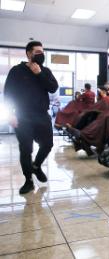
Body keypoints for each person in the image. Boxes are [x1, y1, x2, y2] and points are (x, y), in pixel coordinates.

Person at [4, 41, 59, 194]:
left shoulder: (45, 71)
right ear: (28, 53)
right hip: (22, 115)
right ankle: (28, 180)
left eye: (42, 51)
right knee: (26, 149)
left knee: (47, 144)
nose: (41, 54)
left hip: (42, 114)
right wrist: (10, 114)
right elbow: (8, 94)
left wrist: (39, 74)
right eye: (37, 52)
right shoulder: (16, 71)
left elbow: (53, 87)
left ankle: (36, 166)